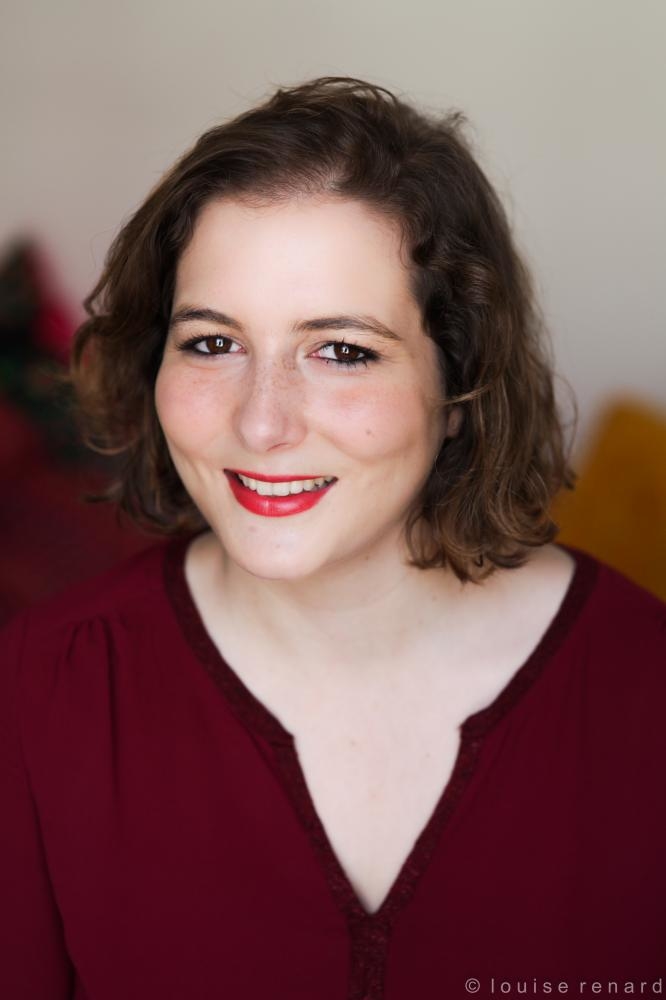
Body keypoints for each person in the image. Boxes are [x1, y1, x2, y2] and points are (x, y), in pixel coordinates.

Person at [1, 77, 664, 1000]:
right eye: (211, 342)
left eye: (342, 351)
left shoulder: (645, 694)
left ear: (460, 387)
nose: (261, 423)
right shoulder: (40, 688)